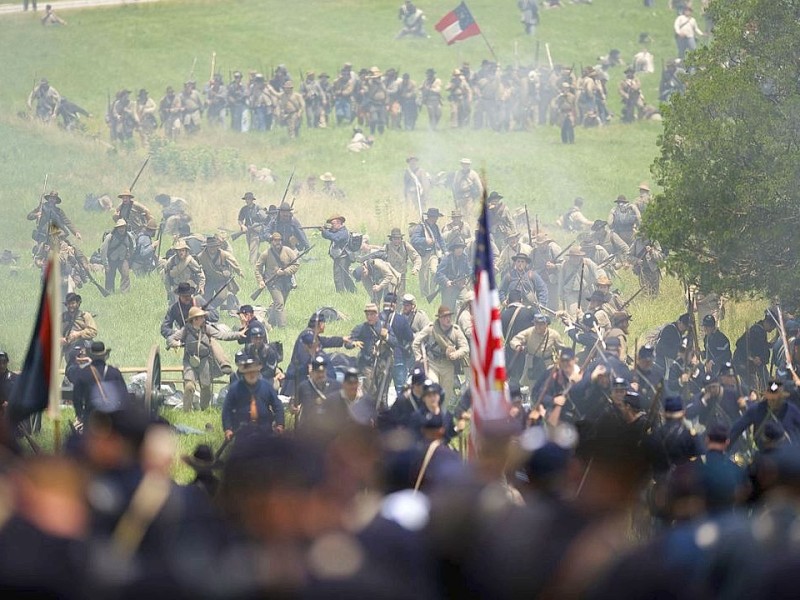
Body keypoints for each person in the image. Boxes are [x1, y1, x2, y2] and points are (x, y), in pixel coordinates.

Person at [168, 306, 240, 411]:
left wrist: (238, 334)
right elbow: (170, 339)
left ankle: (204, 409)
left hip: (204, 360)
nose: (203, 319)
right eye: (201, 317)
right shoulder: (186, 330)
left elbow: (222, 335)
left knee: (206, 386)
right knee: (189, 386)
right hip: (190, 360)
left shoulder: (207, 328)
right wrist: (176, 343)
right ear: (195, 319)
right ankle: (186, 411)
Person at [412, 305, 469, 408]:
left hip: (448, 366)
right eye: (445, 317)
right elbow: (416, 342)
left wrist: (456, 354)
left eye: (449, 316)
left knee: (446, 395)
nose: (448, 319)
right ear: (439, 318)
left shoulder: (456, 330)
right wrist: (418, 357)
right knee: (433, 388)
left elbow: (465, 348)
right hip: (432, 364)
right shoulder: (431, 328)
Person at [222, 356, 284, 439]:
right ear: (244, 373)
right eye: (248, 372)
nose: (251, 374)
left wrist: (280, 424)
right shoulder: (235, 388)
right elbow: (227, 409)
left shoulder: (267, 386)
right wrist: (228, 429)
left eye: (254, 372)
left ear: (258, 372)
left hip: (265, 431)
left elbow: (277, 405)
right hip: (242, 432)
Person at [730, 379, 800, 452]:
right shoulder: (756, 410)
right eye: (771, 399)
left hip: (790, 455)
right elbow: (737, 429)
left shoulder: (792, 410)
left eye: (776, 399)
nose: (773, 402)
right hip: (766, 456)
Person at [70, 341, 127, 426]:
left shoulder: (83, 373)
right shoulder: (114, 373)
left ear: (91, 356)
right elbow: (124, 396)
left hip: (90, 418)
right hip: (111, 417)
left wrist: (80, 415)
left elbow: (77, 398)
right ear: (105, 356)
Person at [255, 232, 299, 328]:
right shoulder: (266, 254)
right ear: (271, 242)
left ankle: (270, 322)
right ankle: (282, 327)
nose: (277, 242)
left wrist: (285, 271)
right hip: (273, 283)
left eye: (279, 240)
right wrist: (261, 281)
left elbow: (296, 265)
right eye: (275, 240)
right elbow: (258, 268)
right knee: (279, 304)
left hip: (286, 282)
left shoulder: (288, 251)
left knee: (280, 303)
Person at [510, 313, 565, 387]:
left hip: (547, 363)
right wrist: (518, 346)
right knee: (532, 386)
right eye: (536, 324)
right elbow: (514, 340)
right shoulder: (529, 332)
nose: (538, 327)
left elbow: (561, 348)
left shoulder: (554, 334)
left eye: (541, 324)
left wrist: (560, 359)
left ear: (546, 324)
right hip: (531, 363)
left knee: (547, 385)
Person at [292, 355, 342, 434]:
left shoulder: (337, 386)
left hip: (330, 431)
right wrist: (292, 407)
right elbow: (294, 403)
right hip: (309, 430)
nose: (320, 375)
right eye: (318, 372)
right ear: (312, 372)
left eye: (322, 372)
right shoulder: (304, 386)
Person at [197, 235, 243, 311]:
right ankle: (207, 311)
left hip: (221, 281)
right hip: (208, 281)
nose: (212, 248)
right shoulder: (201, 256)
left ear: (217, 246)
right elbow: (197, 269)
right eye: (210, 247)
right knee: (205, 298)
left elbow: (233, 262)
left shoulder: (223, 254)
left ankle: (211, 308)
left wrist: (239, 271)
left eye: (214, 246)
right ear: (207, 247)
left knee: (221, 297)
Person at [733, 311, 776, 391]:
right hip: (745, 365)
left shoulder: (761, 331)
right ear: (768, 323)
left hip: (757, 365)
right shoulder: (755, 331)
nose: (772, 329)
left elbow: (759, 346)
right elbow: (740, 344)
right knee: (752, 388)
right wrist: (752, 358)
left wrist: (769, 345)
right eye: (772, 327)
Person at [410, 207, 446, 298]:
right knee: (424, 278)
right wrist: (425, 240)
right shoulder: (420, 227)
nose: (436, 219)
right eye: (435, 217)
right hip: (423, 255)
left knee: (435, 272)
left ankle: (432, 293)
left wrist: (445, 251)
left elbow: (440, 239)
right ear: (430, 217)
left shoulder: (435, 227)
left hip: (433, 253)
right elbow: (414, 240)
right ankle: (424, 296)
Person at [320, 214, 356, 293]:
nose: (332, 226)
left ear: (339, 223)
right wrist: (324, 231)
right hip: (340, 257)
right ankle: (353, 291)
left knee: (338, 276)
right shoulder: (338, 231)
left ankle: (341, 293)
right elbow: (327, 236)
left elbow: (335, 238)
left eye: (333, 224)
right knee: (345, 275)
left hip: (342, 257)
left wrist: (325, 231)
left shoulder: (343, 232)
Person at [162, 239, 205, 304]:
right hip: (177, 287)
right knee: (176, 307)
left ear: (186, 251)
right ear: (176, 251)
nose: (181, 252)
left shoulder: (191, 260)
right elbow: (166, 277)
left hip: (189, 288)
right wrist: (169, 291)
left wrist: (201, 286)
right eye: (179, 250)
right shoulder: (171, 261)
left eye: (183, 250)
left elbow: (200, 273)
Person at [435, 237, 471, 312]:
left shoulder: (464, 258)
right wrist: (446, 281)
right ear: (454, 249)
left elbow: (469, 270)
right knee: (447, 309)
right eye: (458, 248)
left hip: (460, 286)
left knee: (468, 300)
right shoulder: (446, 258)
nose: (460, 250)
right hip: (449, 287)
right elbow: (439, 273)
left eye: (461, 247)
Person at [100, 219, 135, 294]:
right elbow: (103, 251)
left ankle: (125, 293)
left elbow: (133, 246)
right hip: (111, 260)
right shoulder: (110, 237)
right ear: (117, 228)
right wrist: (106, 264)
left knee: (126, 275)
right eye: (120, 227)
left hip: (123, 259)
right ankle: (109, 293)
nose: (121, 229)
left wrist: (130, 255)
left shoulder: (129, 236)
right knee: (110, 277)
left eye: (123, 227)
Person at [237, 191, 267, 265]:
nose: (247, 200)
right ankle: (264, 260)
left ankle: (252, 265)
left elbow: (265, 218)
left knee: (253, 250)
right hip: (248, 232)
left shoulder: (258, 208)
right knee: (252, 250)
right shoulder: (244, 209)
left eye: (249, 199)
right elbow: (240, 220)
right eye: (246, 199)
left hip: (256, 232)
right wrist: (242, 226)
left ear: (252, 200)